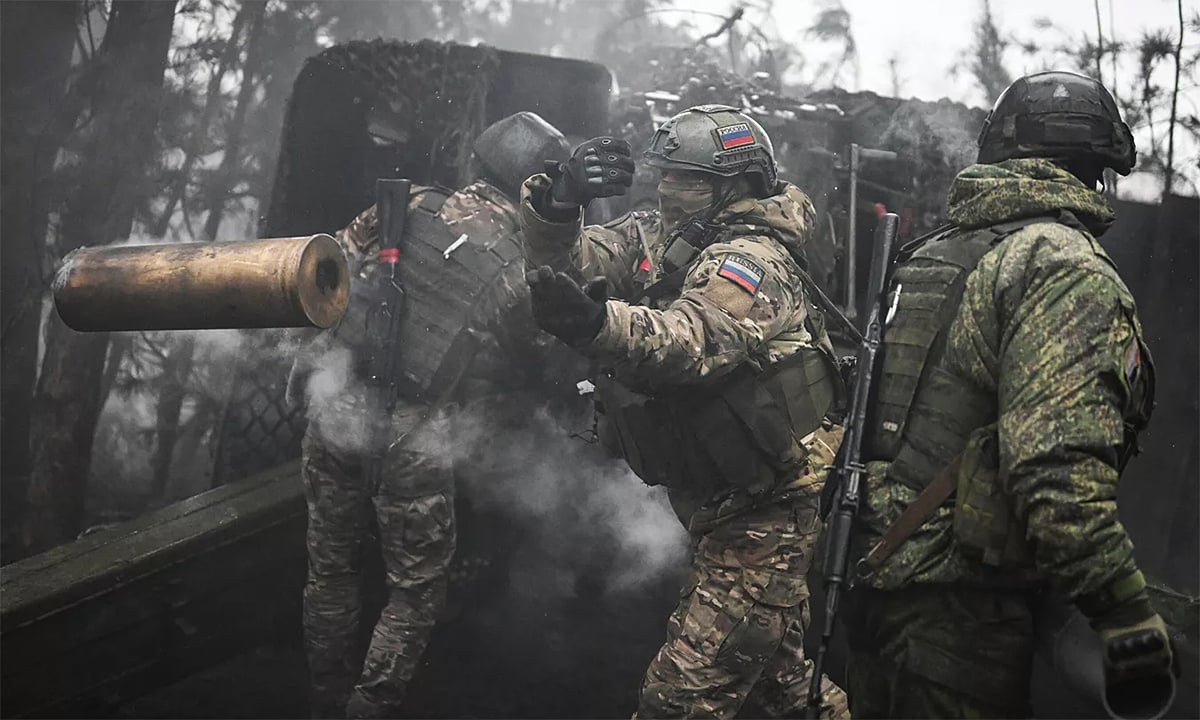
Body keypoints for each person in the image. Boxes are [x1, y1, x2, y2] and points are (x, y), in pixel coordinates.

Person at [843, 71, 1174, 718]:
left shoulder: (935, 253)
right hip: (961, 615)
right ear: (1097, 168)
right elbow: (1054, 474)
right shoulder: (1059, 267)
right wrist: (1125, 614)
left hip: (876, 594)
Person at [520, 104, 849, 719]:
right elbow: (565, 268)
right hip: (718, 495)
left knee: (678, 699)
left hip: (769, 507)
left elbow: (691, 341)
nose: (667, 187)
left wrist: (600, 322)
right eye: (665, 173)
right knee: (784, 688)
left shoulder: (755, 261)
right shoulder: (659, 233)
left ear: (734, 185)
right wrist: (561, 202)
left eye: (686, 178)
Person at [286, 111, 570, 719]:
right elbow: (534, 358)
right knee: (414, 593)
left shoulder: (405, 203)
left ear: (479, 159)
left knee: (329, 572)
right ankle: (367, 709)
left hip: (336, 412)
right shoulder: (519, 266)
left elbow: (326, 273)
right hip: (414, 441)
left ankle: (323, 699)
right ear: (537, 188)